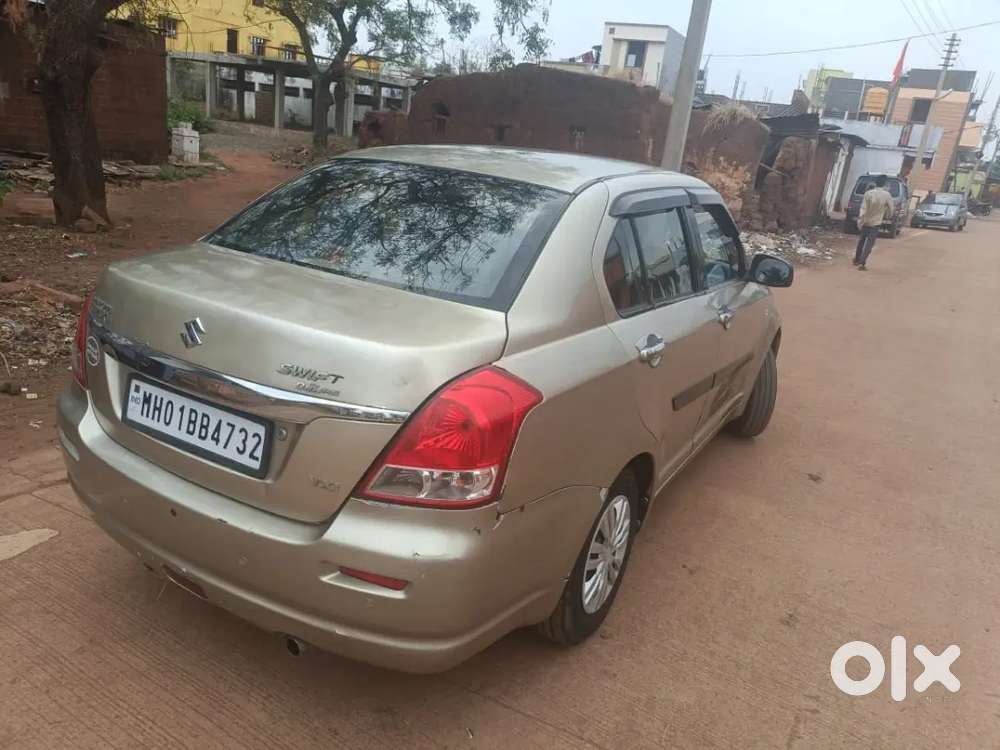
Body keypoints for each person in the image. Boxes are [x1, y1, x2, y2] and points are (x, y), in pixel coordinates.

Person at [853, 176, 894, 271]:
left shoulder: (868, 193)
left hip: (866, 221)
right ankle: (862, 263)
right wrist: (888, 215)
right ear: (884, 184)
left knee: (861, 241)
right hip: (876, 223)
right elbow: (891, 209)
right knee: (869, 244)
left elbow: (863, 208)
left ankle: (856, 260)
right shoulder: (886, 195)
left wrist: (861, 220)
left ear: (875, 183)